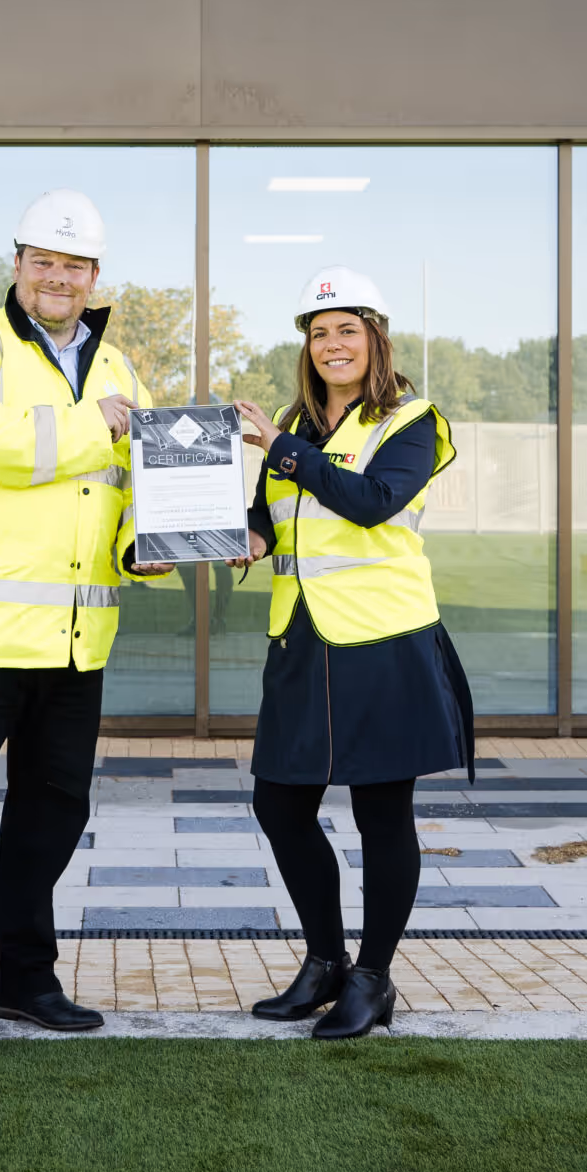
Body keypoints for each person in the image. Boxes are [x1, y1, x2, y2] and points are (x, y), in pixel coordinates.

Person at [0, 188, 167, 1070]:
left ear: (95, 278)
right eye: (42, 262)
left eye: (74, 266)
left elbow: (127, 497)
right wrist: (95, 427)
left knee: (50, 820)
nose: (57, 278)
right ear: (17, 264)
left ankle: (25, 977)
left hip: (73, 645)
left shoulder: (121, 370)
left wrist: (145, 550)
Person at [231, 266, 473, 1041]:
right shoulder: (291, 424)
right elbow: (264, 522)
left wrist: (283, 449)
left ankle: (372, 977)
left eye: (347, 328)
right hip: (302, 638)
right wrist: (211, 539)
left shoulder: (411, 420)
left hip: (384, 641)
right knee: (279, 802)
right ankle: (325, 962)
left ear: (375, 336)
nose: (332, 343)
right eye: (318, 331)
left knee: (380, 812)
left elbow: (371, 505)